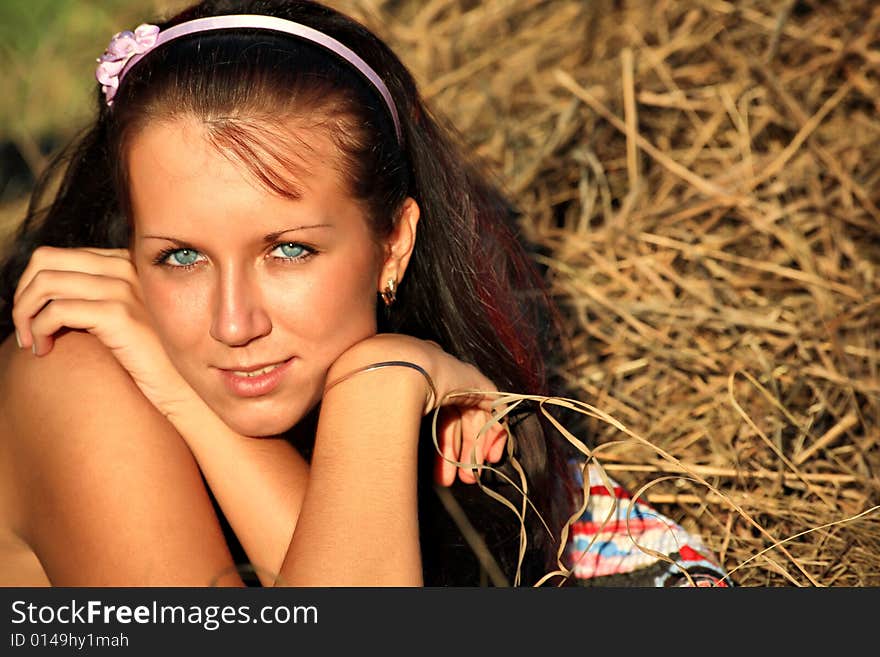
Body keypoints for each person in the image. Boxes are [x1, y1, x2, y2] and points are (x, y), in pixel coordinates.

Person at [0, 0, 728, 587]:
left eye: (289, 249)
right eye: (181, 256)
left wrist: (360, 385)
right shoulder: (68, 374)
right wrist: (379, 389)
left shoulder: (428, 416)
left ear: (393, 246)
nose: (233, 322)